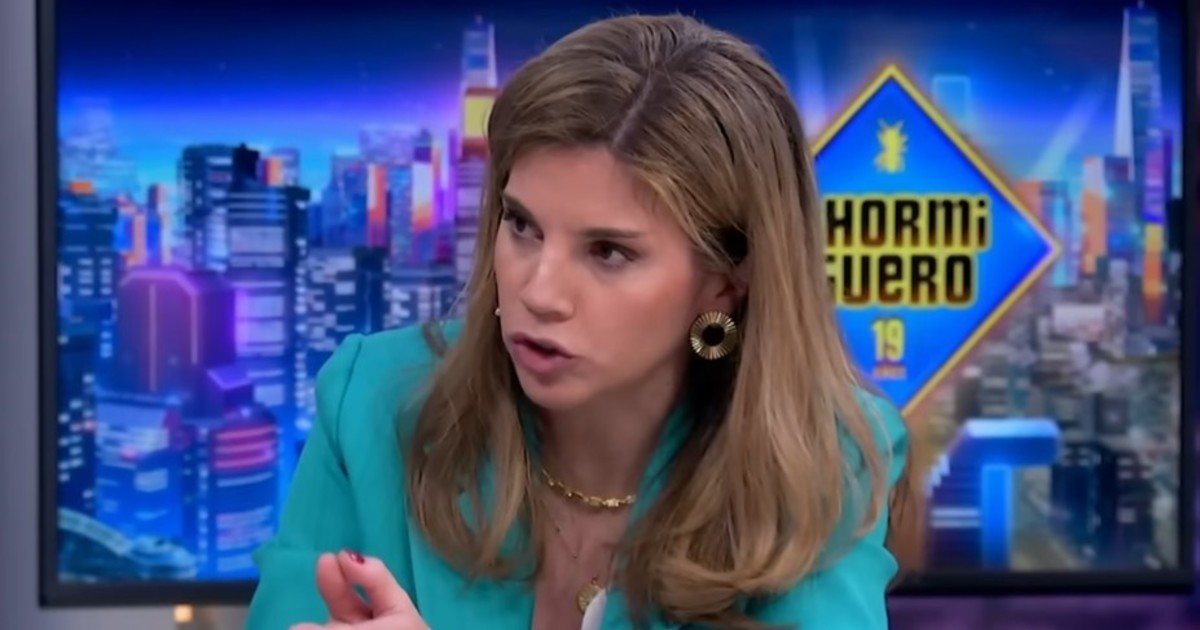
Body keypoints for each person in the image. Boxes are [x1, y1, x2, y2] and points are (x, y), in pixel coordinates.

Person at [247, 13, 923, 630]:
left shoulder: (823, 458)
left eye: (608, 252)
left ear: (724, 282)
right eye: (522, 225)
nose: (539, 292)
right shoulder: (373, 399)